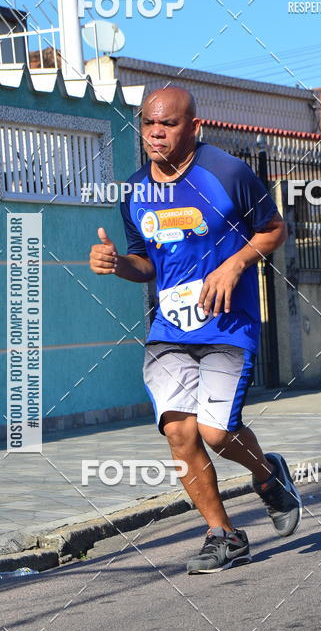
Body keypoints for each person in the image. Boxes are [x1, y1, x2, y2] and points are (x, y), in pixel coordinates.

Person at [89, 86, 302, 573]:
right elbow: (145, 263)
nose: (156, 132)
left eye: (168, 124)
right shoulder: (134, 191)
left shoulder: (228, 172)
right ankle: (222, 534)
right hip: (170, 329)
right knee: (180, 433)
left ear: (194, 128)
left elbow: (273, 229)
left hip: (228, 324)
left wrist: (234, 266)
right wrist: (117, 263)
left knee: (217, 433)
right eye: (148, 124)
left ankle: (269, 477)